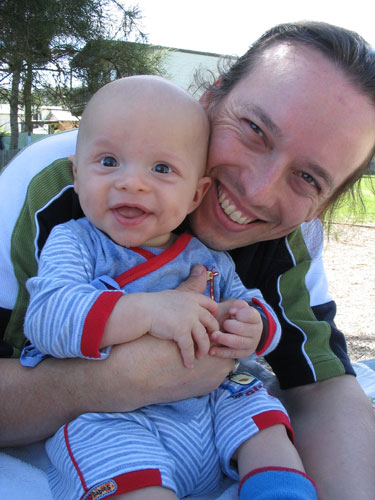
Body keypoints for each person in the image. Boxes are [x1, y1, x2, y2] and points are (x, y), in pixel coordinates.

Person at [0, 20, 374, 500]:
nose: (257, 190)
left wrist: (252, 324)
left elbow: (320, 385)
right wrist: (112, 380)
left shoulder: (289, 233)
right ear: (211, 98)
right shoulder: (57, 185)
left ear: (322, 204)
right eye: (255, 129)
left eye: (307, 177)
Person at [22, 75, 316, 500]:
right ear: (76, 172)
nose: (132, 182)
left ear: (196, 195)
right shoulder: (75, 241)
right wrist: (149, 311)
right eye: (108, 162)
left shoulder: (206, 256)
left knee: (257, 405)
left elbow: (248, 304)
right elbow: (47, 317)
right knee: (104, 450)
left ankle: (278, 489)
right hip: (117, 418)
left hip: (213, 405)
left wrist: (252, 325)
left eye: (161, 169)